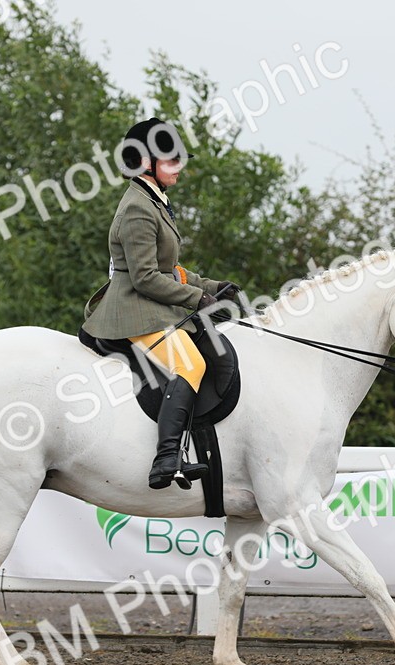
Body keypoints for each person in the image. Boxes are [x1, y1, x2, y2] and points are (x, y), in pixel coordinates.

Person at [81, 117, 239, 490]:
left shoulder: (154, 202)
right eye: (171, 160)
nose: (179, 167)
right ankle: (167, 458)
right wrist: (198, 298)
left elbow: (171, 269)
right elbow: (145, 278)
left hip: (151, 304)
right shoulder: (138, 208)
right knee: (190, 364)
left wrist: (213, 285)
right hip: (133, 310)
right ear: (146, 164)